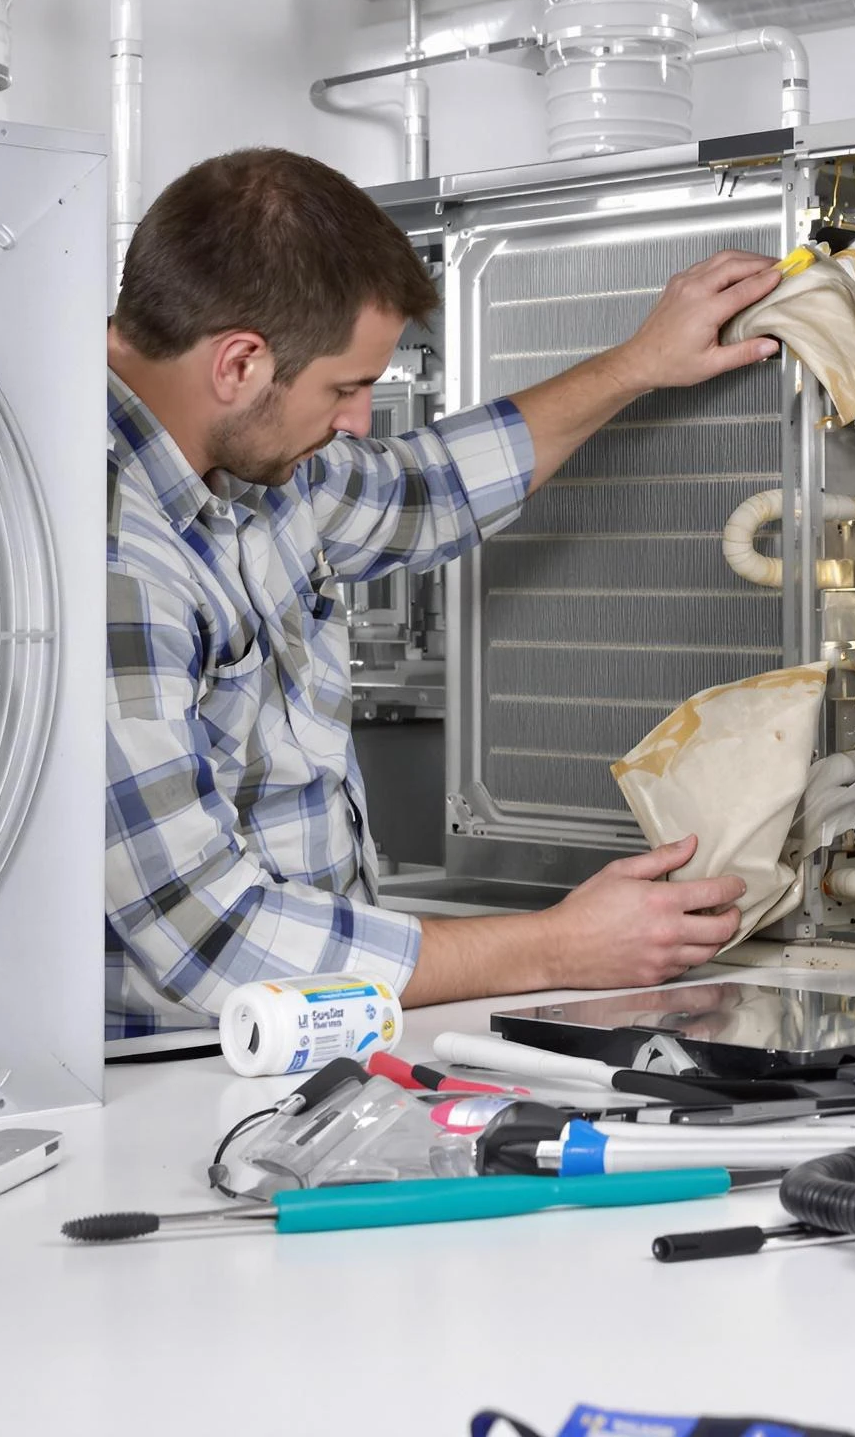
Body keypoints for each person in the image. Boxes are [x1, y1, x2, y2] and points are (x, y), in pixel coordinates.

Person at [105, 147, 781, 1040]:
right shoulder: (111, 557)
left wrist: (637, 364)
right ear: (238, 365)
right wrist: (556, 948)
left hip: (314, 1040)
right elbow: (214, 942)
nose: (355, 423)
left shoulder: (251, 462)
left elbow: (423, 493)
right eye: (346, 389)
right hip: (176, 1072)